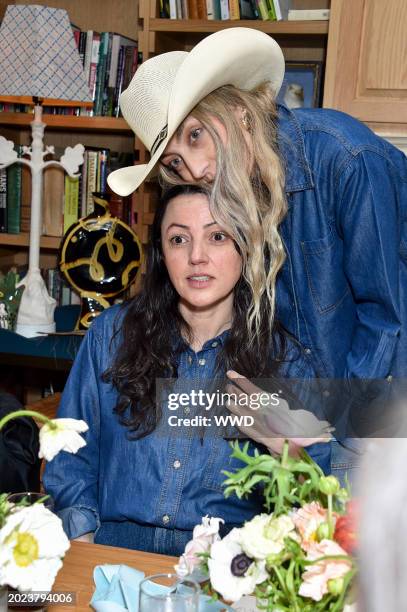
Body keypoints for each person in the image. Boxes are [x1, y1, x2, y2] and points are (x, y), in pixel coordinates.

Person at [107, 27, 407, 484]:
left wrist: (331, 435)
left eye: (195, 135)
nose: (195, 168)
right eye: (172, 162)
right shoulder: (228, 197)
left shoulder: (347, 158)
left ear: (236, 110)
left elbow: (387, 317)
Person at [44, 184, 331, 555]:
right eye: (179, 239)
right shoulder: (111, 335)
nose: (197, 256)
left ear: (245, 248)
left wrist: (286, 450)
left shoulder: (286, 361)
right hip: (114, 556)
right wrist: (85, 547)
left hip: (224, 572)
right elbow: (70, 456)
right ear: (162, 253)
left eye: (217, 236)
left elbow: (317, 507)